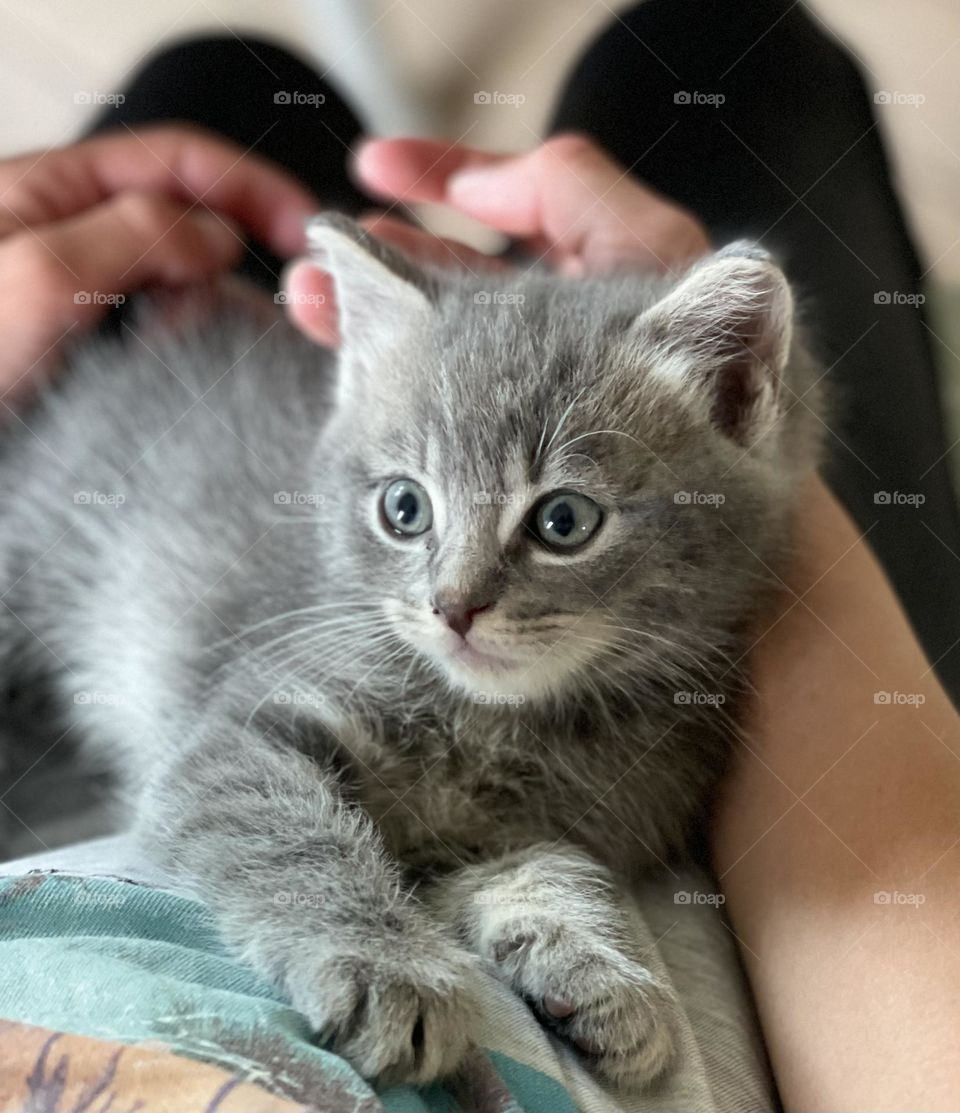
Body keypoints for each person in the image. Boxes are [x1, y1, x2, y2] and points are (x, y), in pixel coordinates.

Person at [0, 3, 957, 1108]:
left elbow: (432, 821)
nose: (455, 599)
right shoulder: (374, 636)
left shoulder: (671, 733)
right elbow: (221, 775)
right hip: (81, 493)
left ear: (741, 400)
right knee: (738, 55)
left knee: (218, 80)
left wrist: (528, 898)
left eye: (560, 524)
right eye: (405, 511)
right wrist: (360, 934)